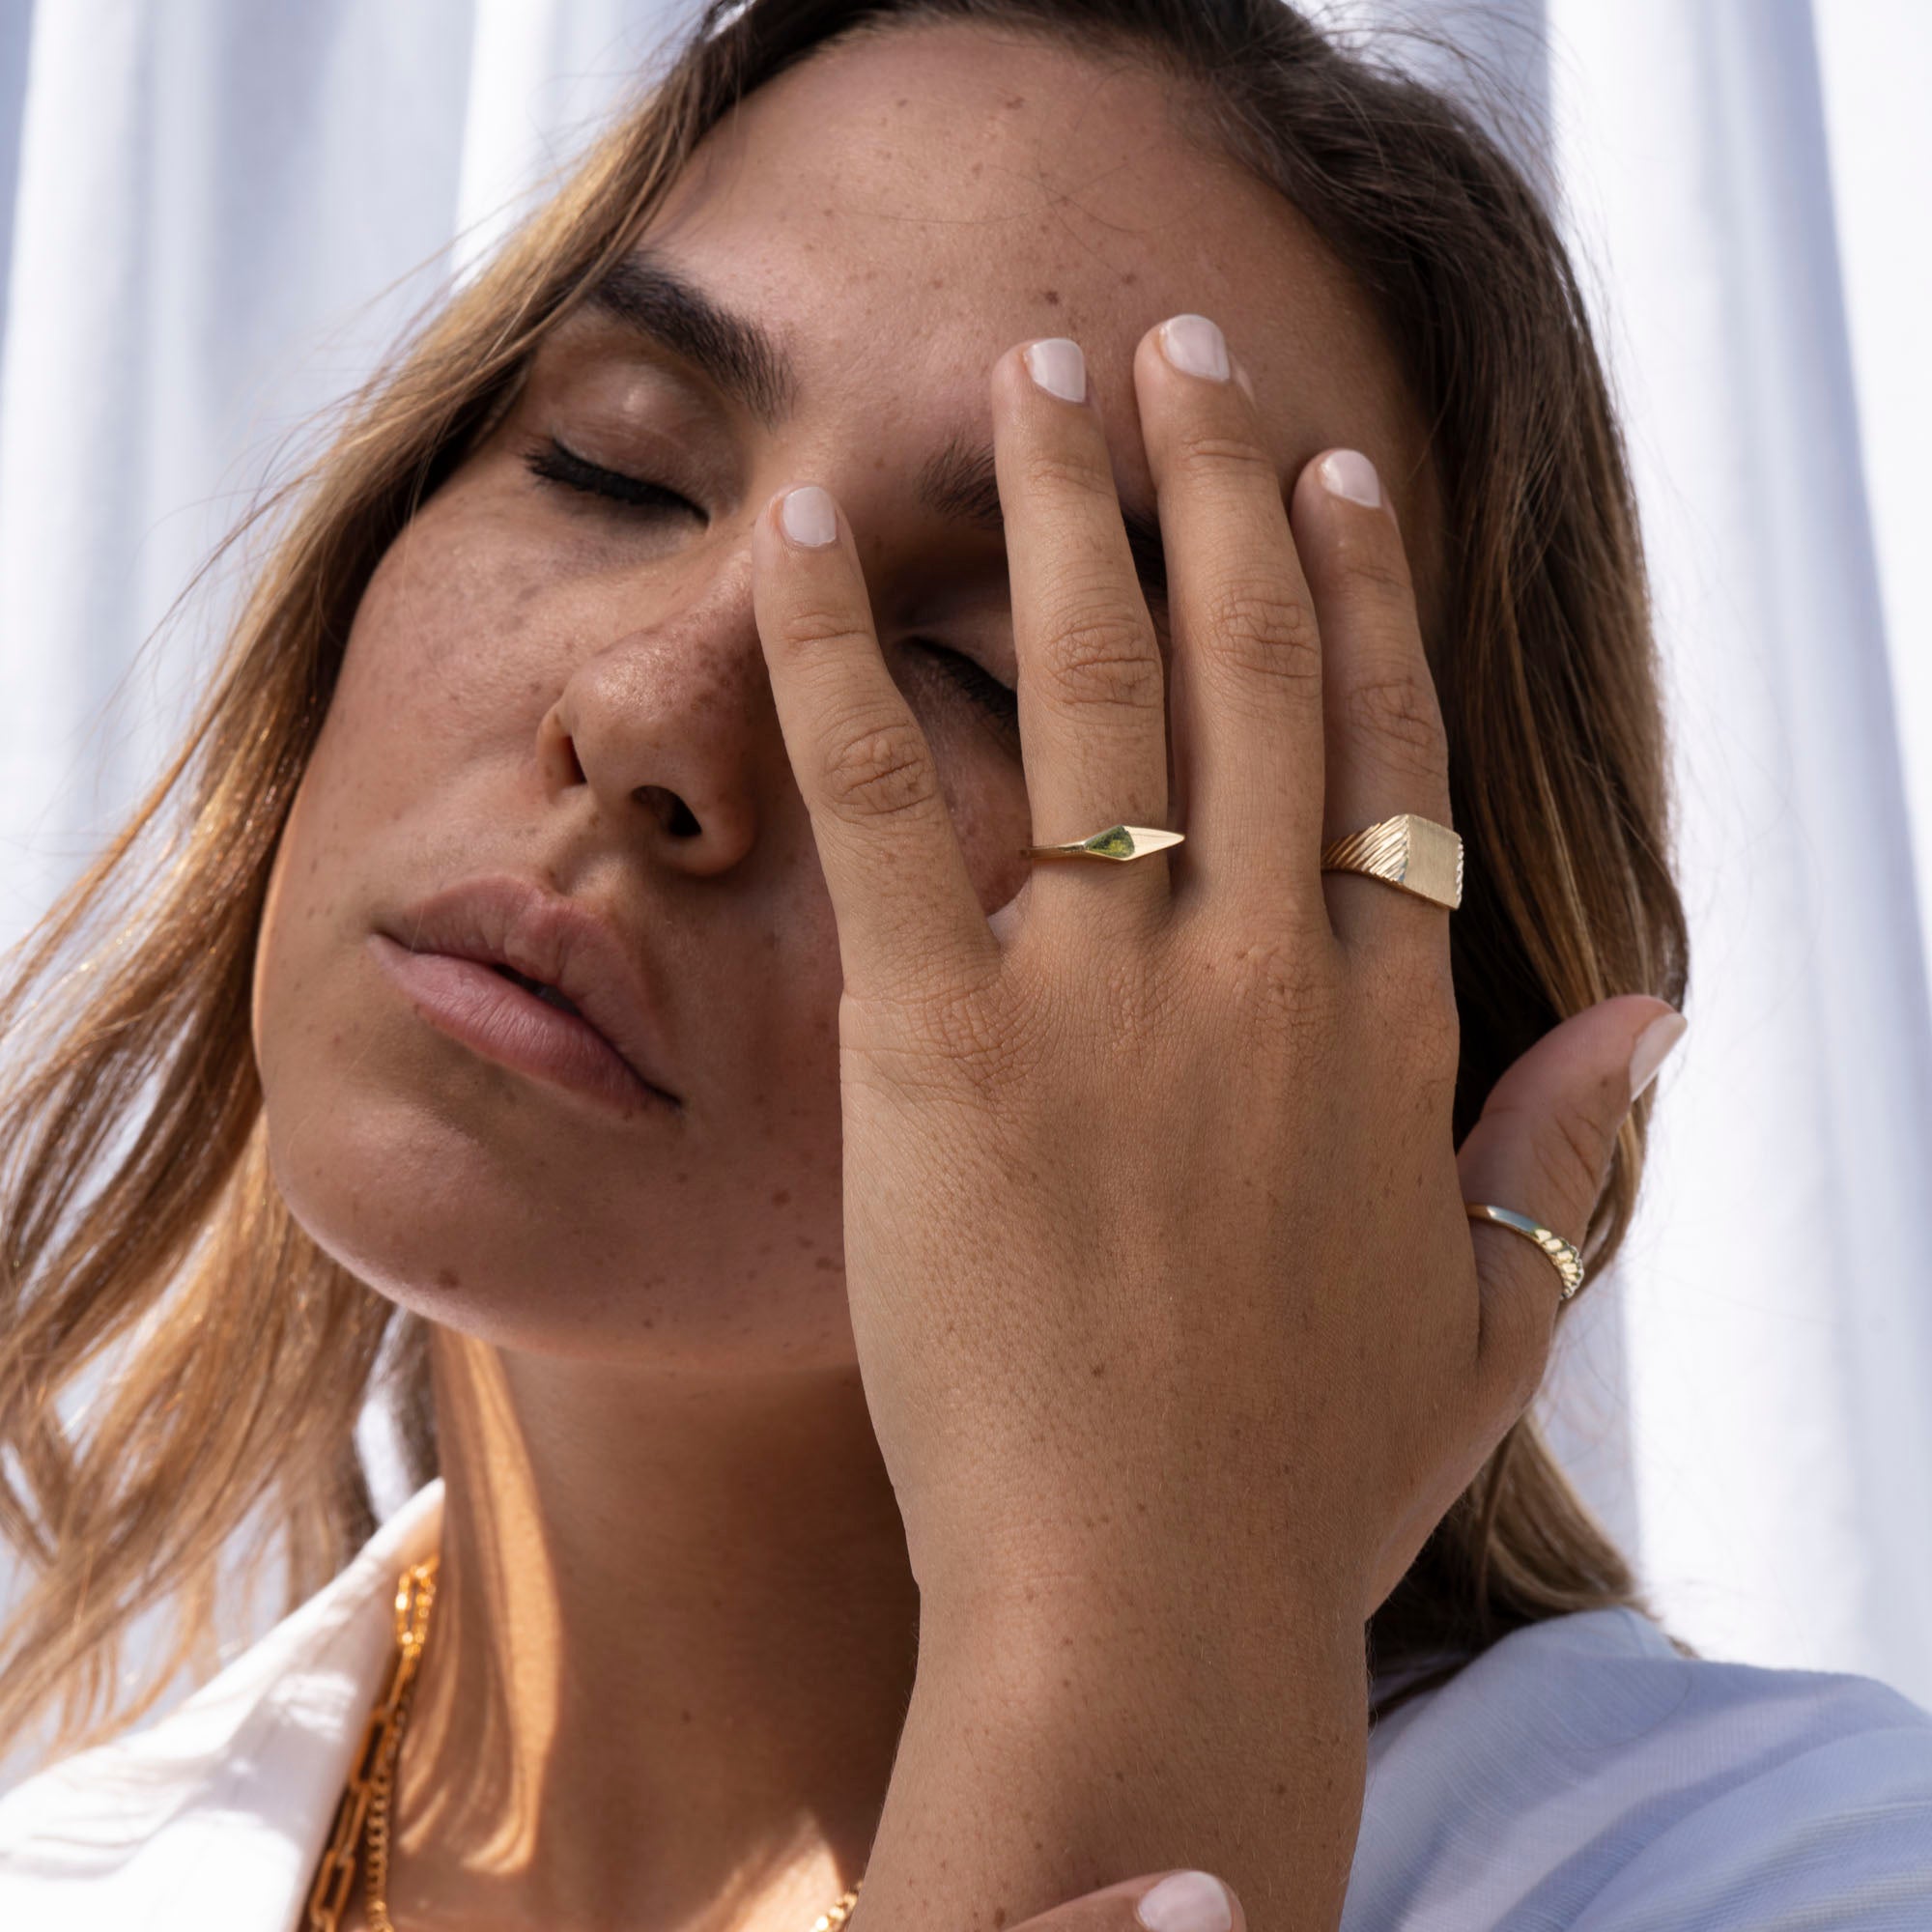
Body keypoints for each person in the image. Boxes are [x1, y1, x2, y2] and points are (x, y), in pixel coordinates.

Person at [1, 0, 1927, 1926]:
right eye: (613, 467)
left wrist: (1144, 1673)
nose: (653, 709)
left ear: (1363, 1031)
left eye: (995, 673)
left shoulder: (1787, 1873)